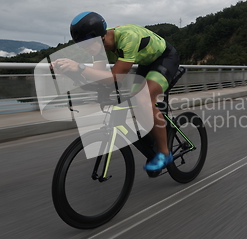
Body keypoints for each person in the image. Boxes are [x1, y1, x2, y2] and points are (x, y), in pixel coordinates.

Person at [52, 11, 180, 172]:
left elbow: (114, 77)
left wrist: (79, 66)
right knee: (135, 102)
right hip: (146, 63)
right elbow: (98, 77)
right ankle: (155, 137)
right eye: (81, 45)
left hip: (165, 58)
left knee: (143, 99)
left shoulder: (128, 38)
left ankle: (164, 152)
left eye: (87, 43)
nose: (85, 49)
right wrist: (69, 71)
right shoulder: (97, 47)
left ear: (100, 36)